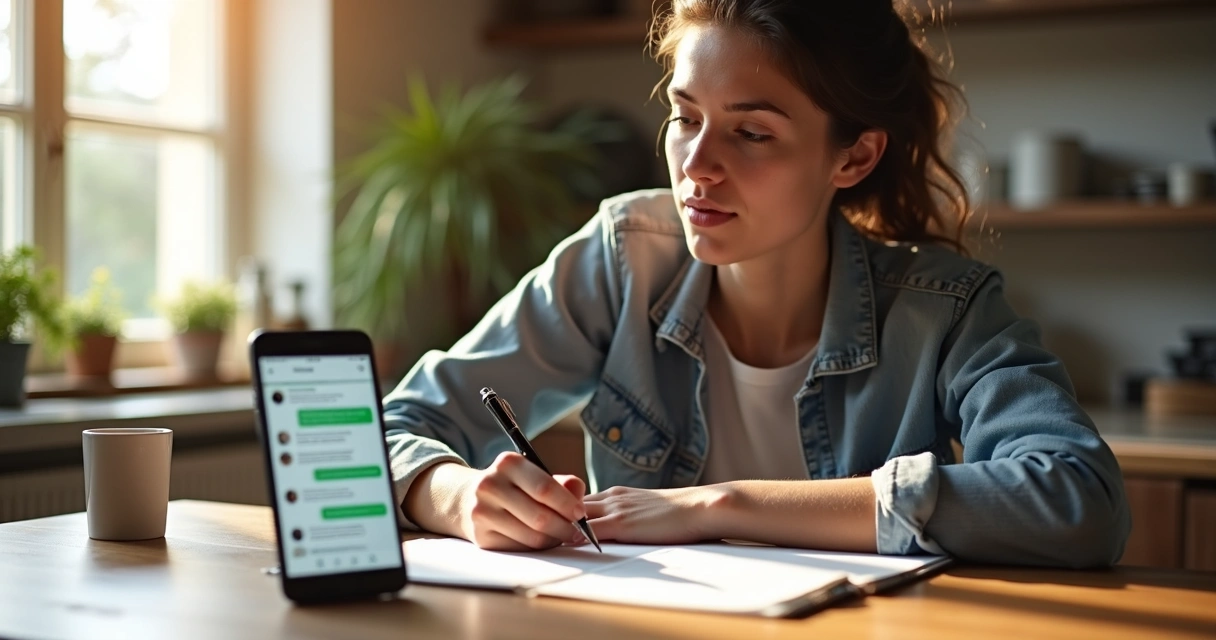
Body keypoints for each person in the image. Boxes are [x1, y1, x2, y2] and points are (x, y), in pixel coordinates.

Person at [381, 0, 1130, 567]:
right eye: (685, 117)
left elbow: (1078, 498)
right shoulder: (624, 257)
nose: (696, 167)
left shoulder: (946, 308)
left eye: (752, 132)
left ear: (853, 157)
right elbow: (382, 433)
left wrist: (720, 506)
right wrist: (455, 495)